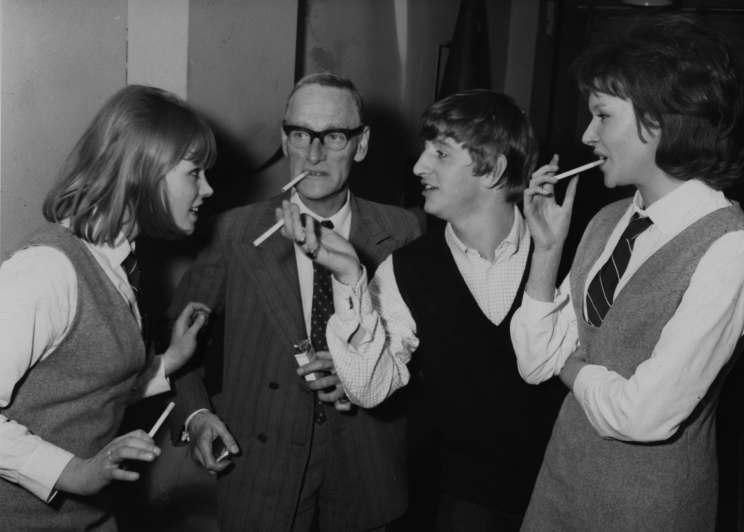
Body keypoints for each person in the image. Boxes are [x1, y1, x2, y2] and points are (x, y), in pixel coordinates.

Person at [280, 89, 561, 531]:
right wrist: (350, 277)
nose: (418, 167)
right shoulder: (405, 268)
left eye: (440, 154)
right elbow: (368, 389)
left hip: (564, 499)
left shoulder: (572, 252)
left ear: (494, 170)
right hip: (459, 511)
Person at [509, 14, 744, 531]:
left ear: (658, 120)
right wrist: (546, 253)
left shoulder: (729, 247)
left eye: (602, 115)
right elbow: (533, 361)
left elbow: (644, 415)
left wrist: (570, 368)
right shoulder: (608, 219)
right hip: (560, 485)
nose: (586, 133)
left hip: (647, 508)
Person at [167, 72, 422, 531]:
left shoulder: (404, 232)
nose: (314, 152)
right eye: (301, 134)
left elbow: (437, 358)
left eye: (334, 136)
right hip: (260, 476)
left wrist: (374, 378)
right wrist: (198, 415)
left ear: (361, 145)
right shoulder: (233, 234)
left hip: (367, 478)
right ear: (285, 142)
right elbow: (174, 341)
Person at [0, 84, 214, 531]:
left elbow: (90, 388)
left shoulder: (117, 261)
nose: (208, 189)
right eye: (195, 173)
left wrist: (169, 361)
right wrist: (76, 472)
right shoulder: (48, 270)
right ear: (145, 173)